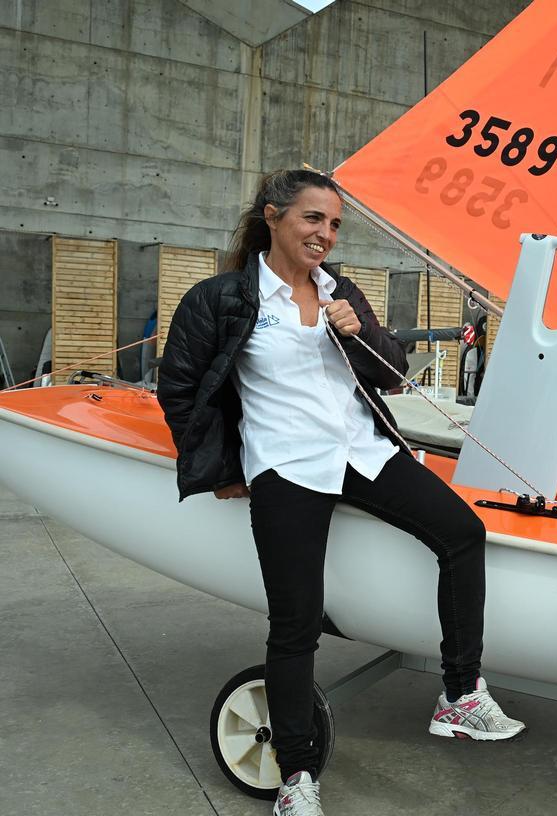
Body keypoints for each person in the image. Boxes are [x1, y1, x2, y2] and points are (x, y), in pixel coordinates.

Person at [157, 169, 524, 816]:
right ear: (272, 217)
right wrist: (220, 469)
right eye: (312, 219)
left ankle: (460, 695)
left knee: (463, 533)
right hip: (287, 466)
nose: (324, 234)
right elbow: (180, 387)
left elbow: (391, 372)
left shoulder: (340, 292)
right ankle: (296, 775)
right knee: (296, 623)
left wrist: (360, 333)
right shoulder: (222, 298)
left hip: (363, 451)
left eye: (333, 224)